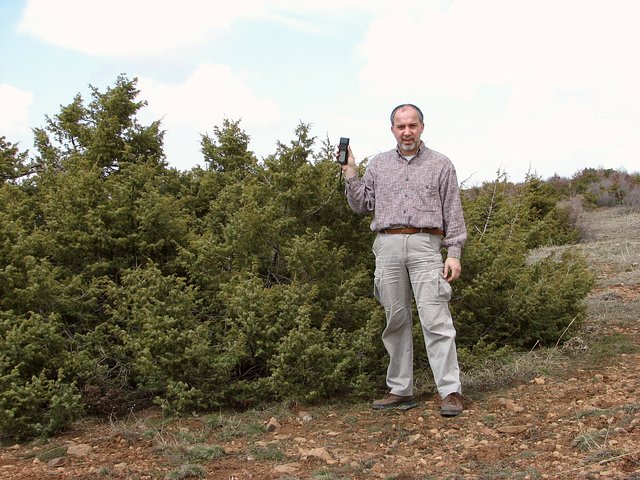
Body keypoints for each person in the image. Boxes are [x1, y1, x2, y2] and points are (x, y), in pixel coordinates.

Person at [340, 103, 467, 416]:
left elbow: (453, 210)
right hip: (387, 245)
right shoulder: (379, 165)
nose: (407, 131)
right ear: (392, 129)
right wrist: (350, 172)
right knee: (395, 320)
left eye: (412, 125)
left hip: (427, 245)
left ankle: (450, 391)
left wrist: (453, 254)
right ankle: (400, 390)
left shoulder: (441, 164)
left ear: (422, 127)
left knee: (436, 319)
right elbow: (361, 206)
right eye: (401, 126)